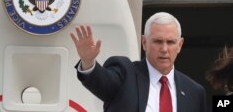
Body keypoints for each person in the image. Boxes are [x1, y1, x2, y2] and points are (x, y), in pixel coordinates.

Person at [70, 12, 207, 112]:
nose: (164, 49)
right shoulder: (125, 73)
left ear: (180, 45)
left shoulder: (194, 92)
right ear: (144, 42)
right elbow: (101, 81)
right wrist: (88, 61)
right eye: (158, 41)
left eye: (170, 42)